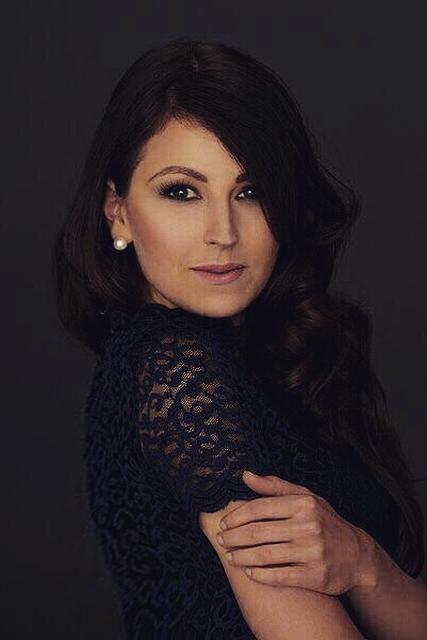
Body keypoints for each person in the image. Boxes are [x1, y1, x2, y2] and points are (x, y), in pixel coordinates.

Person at [51, 37, 427, 639]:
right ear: (117, 210)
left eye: (251, 192)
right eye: (182, 191)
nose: (223, 232)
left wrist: (362, 562)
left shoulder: (272, 357)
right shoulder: (178, 371)